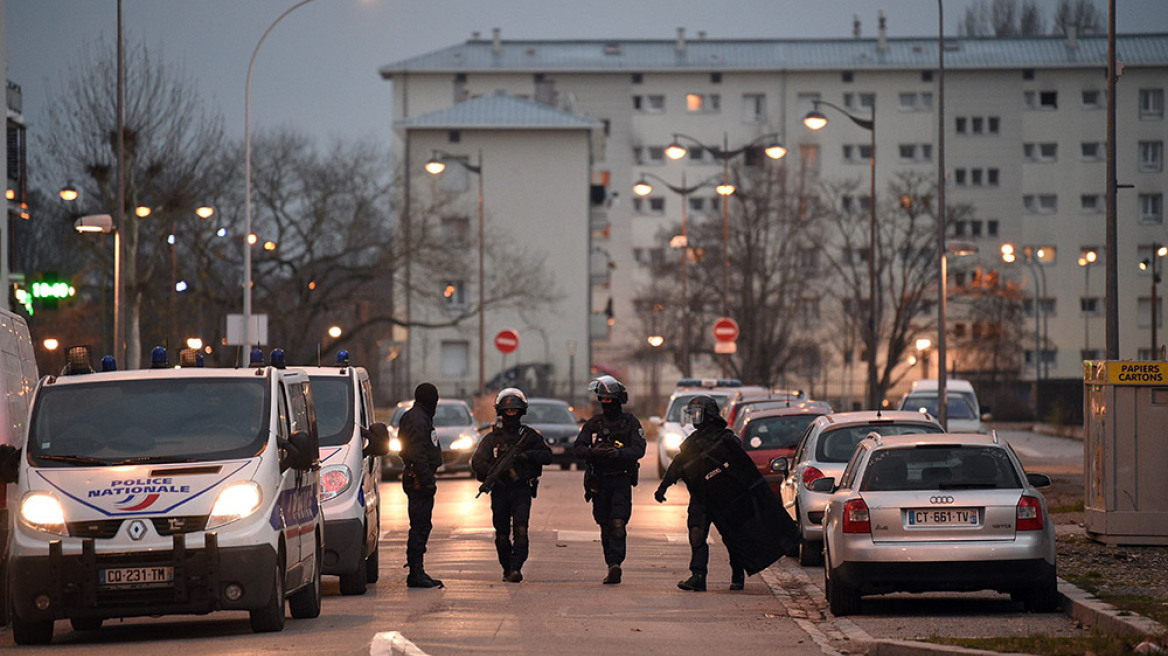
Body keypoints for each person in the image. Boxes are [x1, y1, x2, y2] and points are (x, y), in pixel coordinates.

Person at [655, 394, 747, 592]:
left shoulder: (727, 439)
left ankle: (738, 575)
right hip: (701, 497)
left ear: (709, 414)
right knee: (696, 535)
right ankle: (698, 576)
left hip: (725, 498)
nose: (695, 418)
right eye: (692, 414)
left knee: (732, 538)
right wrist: (664, 486)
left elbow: (742, 468)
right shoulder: (692, 441)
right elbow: (678, 465)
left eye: (698, 413)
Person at [471, 387, 553, 583]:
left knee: (521, 530)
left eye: (514, 411)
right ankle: (507, 568)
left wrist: (526, 456)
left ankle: (516, 567)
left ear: (521, 411)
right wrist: (493, 470)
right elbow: (477, 462)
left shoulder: (529, 436)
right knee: (501, 534)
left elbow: (547, 455)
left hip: (521, 490)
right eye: (507, 411)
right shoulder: (492, 439)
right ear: (501, 412)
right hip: (500, 490)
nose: (511, 414)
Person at [573, 375, 646, 584]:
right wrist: (595, 452)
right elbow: (578, 448)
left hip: (621, 479)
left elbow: (639, 449)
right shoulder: (594, 424)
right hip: (599, 481)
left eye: (609, 400)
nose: (606, 404)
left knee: (618, 523)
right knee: (605, 525)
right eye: (602, 400)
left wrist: (618, 454)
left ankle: (616, 563)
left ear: (618, 400)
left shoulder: (630, 423)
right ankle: (610, 564)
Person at [398, 382, 445, 589]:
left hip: (418, 476)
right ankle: (416, 571)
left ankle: (417, 569)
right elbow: (417, 452)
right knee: (420, 525)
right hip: (418, 479)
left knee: (421, 524)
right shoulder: (418, 419)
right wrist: (426, 480)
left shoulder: (417, 416)